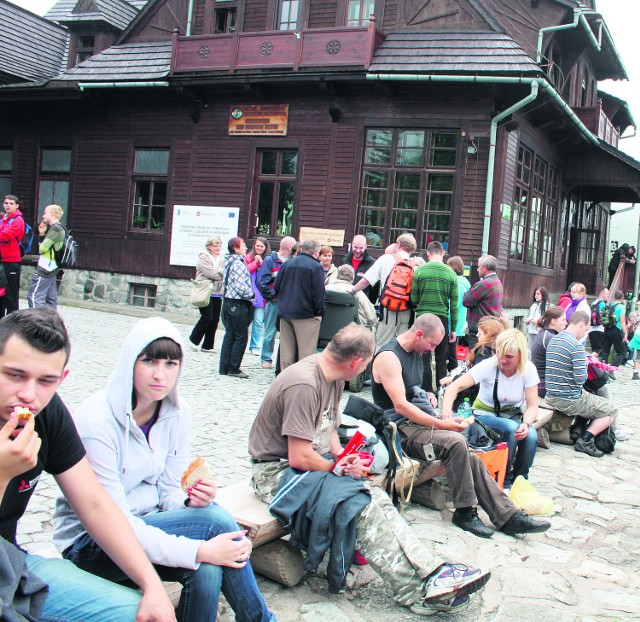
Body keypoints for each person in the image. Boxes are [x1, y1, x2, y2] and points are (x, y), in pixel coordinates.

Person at [249, 322, 491, 616]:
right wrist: (335, 466)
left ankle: (429, 577)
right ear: (356, 362)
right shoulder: (304, 384)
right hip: (278, 473)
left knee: (372, 496)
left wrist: (343, 457)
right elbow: (299, 456)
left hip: (309, 466)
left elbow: (329, 435)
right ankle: (420, 586)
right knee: (361, 504)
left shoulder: (332, 375)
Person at [52, 317, 274, 622]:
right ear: (131, 361)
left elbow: (168, 490)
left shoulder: (177, 413)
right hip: (92, 542)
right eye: (150, 361)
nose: (160, 375)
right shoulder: (97, 422)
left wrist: (189, 503)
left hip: (149, 524)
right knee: (215, 523)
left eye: (171, 363)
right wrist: (198, 549)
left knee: (208, 568)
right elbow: (112, 521)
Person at [0, 308, 176, 622]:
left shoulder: (48, 413)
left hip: (12, 563)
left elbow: (94, 504)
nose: (28, 394)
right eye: (15, 375)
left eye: (46, 381)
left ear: (62, 378)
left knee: (133, 613)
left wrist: (151, 584)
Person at [372, 315, 549, 539]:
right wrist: (441, 422)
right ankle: (465, 511)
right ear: (419, 335)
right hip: (399, 430)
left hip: (417, 424)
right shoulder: (389, 357)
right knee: (455, 442)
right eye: (433, 344)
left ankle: (508, 516)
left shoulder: (415, 353)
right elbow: (401, 406)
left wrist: (426, 396)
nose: (432, 349)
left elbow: (411, 391)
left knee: (470, 453)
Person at [443, 329, 540, 488]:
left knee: (530, 435)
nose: (502, 360)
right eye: (499, 353)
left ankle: (520, 480)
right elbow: (454, 386)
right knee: (510, 428)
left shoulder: (528, 369)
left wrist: (526, 424)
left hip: (511, 415)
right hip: (483, 416)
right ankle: (503, 481)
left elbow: (532, 406)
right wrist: (446, 409)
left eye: (509, 357)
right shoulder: (489, 365)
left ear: (520, 355)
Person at [544, 311, 619, 457]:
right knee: (612, 409)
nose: (584, 334)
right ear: (582, 324)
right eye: (585, 330)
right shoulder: (576, 346)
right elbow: (580, 379)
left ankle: (582, 431)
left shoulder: (554, 339)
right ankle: (586, 439)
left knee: (594, 398)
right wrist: (585, 364)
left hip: (551, 393)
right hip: (570, 399)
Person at [350, 233, 418, 348]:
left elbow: (367, 280)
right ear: (412, 249)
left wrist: (352, 290)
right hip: (407, 311)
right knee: (403, 346)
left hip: (388, 309)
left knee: (381, 344)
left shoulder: (386, 259)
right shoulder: (415, 266)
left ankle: (378, 365)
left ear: (398, 245)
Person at [410, 241, 458, 391]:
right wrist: (454, 329)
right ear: (443, 253)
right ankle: (441, 391)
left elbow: (414, 298)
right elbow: (455, 305)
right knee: (441, 359)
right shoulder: (451, 274)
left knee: (423, 356)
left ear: (428, 254)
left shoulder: (419, 271)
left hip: (423, 317)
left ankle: (425, 392)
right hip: (442, 319)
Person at [274, 238, 325, 370]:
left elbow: (276, 286)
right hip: (306, 314)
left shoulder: (287, 264)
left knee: (286, 352)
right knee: (306, 353)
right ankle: (303, 382)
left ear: (302, 249)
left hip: (285, 312)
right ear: (316, 252)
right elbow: (318, 292)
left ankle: (285, 380)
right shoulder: (316, 266)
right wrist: (319, 311)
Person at [256, 236, 296, 370]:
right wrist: (272, 296)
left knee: (287, 333)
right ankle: (266, 358)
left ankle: (283, 360)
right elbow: (262, 282)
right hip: (274, 303)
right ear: (290, 247)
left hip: (288, 303)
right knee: (270, 332)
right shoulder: (270, 261)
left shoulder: (293, 261)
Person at [219, 237, 254, 379]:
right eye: (243, 245)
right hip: (237, 304)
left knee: (230, 335)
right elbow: (240, 287)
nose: (246, 248)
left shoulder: (228, 261)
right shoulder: (238, 263)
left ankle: (224, 367)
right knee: (240, 337)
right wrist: (252, 294)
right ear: (235, 248)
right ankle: (233, 368)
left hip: (227, 302)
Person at [188, 236, 224, 353]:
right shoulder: (204, 258)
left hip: (217, 292)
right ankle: (193, 340)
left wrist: (218, 270)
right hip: (205, 290)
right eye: (215, 245)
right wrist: (220, 273)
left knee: (214, 320)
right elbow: (210, 273)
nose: (218, 247)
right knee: (207, 317)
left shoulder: (221, 259)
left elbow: (224, 272)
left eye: (219, 245)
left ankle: (208, 345)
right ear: (209, 247)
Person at [27, 204, 65, 309]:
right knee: (50, 299)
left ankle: (37, 321)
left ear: (52, 214)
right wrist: (42, 234)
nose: (43, 216)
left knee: (34, 296)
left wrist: (41, 238)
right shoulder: (61, 228)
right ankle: (52, 322)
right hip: (53, 266)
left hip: (46, 267)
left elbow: (42, 249)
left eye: (45, 213)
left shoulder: (55, 229)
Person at [462, 255, 503, 349]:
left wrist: (467, 292)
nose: (477, 269)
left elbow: (466, 301)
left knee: (477, 359)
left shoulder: (484, 284)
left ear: (485, 268)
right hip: (491, 329)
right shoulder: (498, 282)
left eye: (479, 266)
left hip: (479, 331)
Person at [530, 305, 568, 398]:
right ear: (553, 321)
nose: (566, 323)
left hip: (541, 384)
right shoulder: (550, 338)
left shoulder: (546, 334)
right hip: (544, 386)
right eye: (563, 320)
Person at [0, 194, 26, 317]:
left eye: (11, 203)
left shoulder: (18, 221)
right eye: (6, 203)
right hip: (2, 260)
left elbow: (6, 235)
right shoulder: (3, 219)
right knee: (1, 293)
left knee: (11, 295)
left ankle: (12, 325)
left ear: (16, 206)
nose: (8, 205)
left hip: (11, 261)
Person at [245, 237, 271, 356]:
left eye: (261, 246)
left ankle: (254, 346)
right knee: (245, 322)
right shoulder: (248, 257)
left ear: (265, 248)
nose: (259, 248)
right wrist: (255, 263)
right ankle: (241, 344)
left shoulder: (268, 260)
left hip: (261, 295)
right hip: (248, 294)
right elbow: (246, 271)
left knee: (258, 322)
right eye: (257, 245)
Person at [599, 289, 628, 379]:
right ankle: (611, 369)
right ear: (622, 298)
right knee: (621, 352)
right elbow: (622, 322)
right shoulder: (621, 307)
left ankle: (602, 371)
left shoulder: (609, 305)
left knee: (605, 351)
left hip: (607, 329)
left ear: (614, 297)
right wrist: (626, 333)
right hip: (616, 330)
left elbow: (602, 316)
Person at [341, 234, 377, 302]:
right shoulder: (345, 260)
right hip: (345, 300)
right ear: (352, 245)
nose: (357, 250)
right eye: (355, 247)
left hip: (361, 302)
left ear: (365, 246)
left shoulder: (372, 263)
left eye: (361, 248)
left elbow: (374, 288)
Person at [447, 255, 471, 344]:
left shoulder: (458, 284)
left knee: (450, 351)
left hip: (453, 322)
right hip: (458, 320)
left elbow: (454, 303)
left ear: (454, 267)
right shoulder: (463, 283)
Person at [589, 288, 609, 355]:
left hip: (591, 329)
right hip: (599, 329)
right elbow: (604, 317)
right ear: (602, 294)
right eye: (607, 294)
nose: (608, 296)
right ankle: (588, 361)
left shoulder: (593, 303)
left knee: (595, 350)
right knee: (599, 351)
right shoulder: (602, 303)